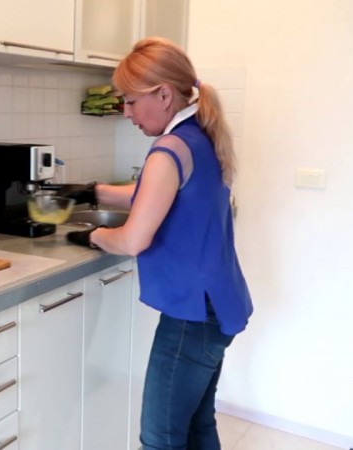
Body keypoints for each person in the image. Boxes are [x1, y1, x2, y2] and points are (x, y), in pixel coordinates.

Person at [62, 37, 253, 450]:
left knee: (160, 438)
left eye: (131, 101)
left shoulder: (168, 147)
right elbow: (153, 192)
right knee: (198, 426)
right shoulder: (198, 135)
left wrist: (91, 235)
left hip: (191, 318)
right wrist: (92, 192)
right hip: (216, 306)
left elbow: (133, 239)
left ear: (164, 95)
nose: (126, 112)